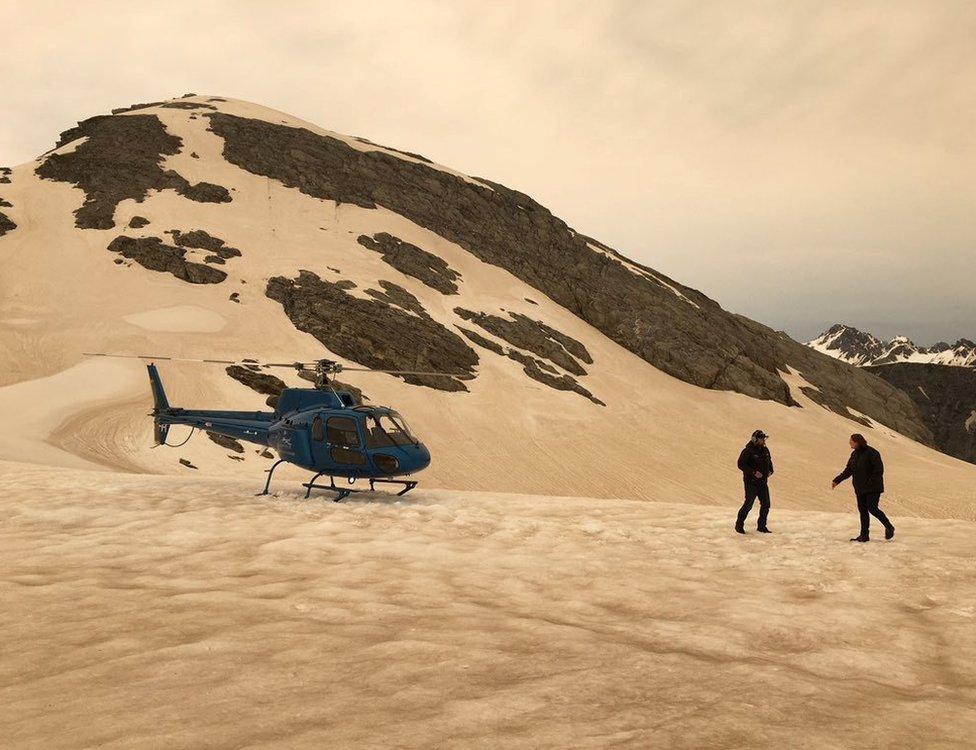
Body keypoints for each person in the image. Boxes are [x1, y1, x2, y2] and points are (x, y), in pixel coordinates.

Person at [832, 433, 894, 542]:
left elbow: (878, 470)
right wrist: (837, 480)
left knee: (872, 508)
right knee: (863, 511)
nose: (849, 443)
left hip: (873, 488)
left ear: (856, 442)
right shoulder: (854, 455)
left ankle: (889, 526)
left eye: (851, 441)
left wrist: (869, 483)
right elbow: (848, 470)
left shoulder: (872, 453)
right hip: (860, 488)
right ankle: (864, 535)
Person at [735, 430, 774, 534]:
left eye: (764, 438)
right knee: (748, 504)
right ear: (755, 439)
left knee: (766, 504)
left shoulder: (765, 450)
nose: (763, 440)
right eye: (761, 438)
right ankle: (739, 525)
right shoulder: (748, 451)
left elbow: (769, 462)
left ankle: (762, 526)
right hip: (751, 482)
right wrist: (753, 472)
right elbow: (740, 464)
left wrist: (771, 470)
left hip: (763, 483)